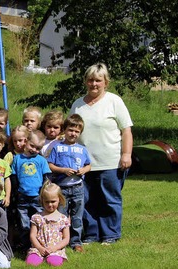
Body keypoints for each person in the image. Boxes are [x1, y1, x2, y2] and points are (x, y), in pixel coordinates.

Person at [69, 63, 133, 246]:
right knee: (86, 201)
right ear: (85, 82)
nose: (94, 84)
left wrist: (126, 154)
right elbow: (71, 131)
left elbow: (126, 130)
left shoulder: (114, 101)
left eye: (98, 80)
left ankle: (110, 234)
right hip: (82, 164)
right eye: (90, 80)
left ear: (106, 82)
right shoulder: (78, 104)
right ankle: (90, 234)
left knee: (109, 200)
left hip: (110, 162)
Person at [47, 114, 91, 253]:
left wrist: (83, 170)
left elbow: (89, 165)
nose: (73, 133)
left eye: (77, 131)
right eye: (70, 130)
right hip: (61, 189)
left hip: (78, 188)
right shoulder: (57, 147)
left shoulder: (82, 149)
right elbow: (50, 165)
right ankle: (60, 241)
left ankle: (76, 241)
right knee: (61, 216)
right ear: (64, 130)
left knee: (77, 217)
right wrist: (63, 170)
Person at [11, 130, 51, 249]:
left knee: (39, 220)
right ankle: (26, 245)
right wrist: (15, 192)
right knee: (24, 222)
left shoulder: (41, 160)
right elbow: (13, 176)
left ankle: (40, 242)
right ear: (26, 141)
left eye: (38, 148)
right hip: (22, 195)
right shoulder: (17, 159)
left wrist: (44, 193)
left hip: (37, 196)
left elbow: (47, 178)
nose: (34, 149)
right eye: (32, 146)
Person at [25, 181, 70, 267]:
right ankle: (39, 256)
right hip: (38, 248)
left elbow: (66, 238)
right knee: (31, 262)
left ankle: (51, 257)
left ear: (59, 199)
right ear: (42, 201)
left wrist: (54, 248)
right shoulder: (37, 217)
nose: (50, 204)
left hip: (55, 249)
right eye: (47, 202)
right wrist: (39, 248)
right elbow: (32, 235)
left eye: (53, 201)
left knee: (54, 262)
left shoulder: (63, 219)